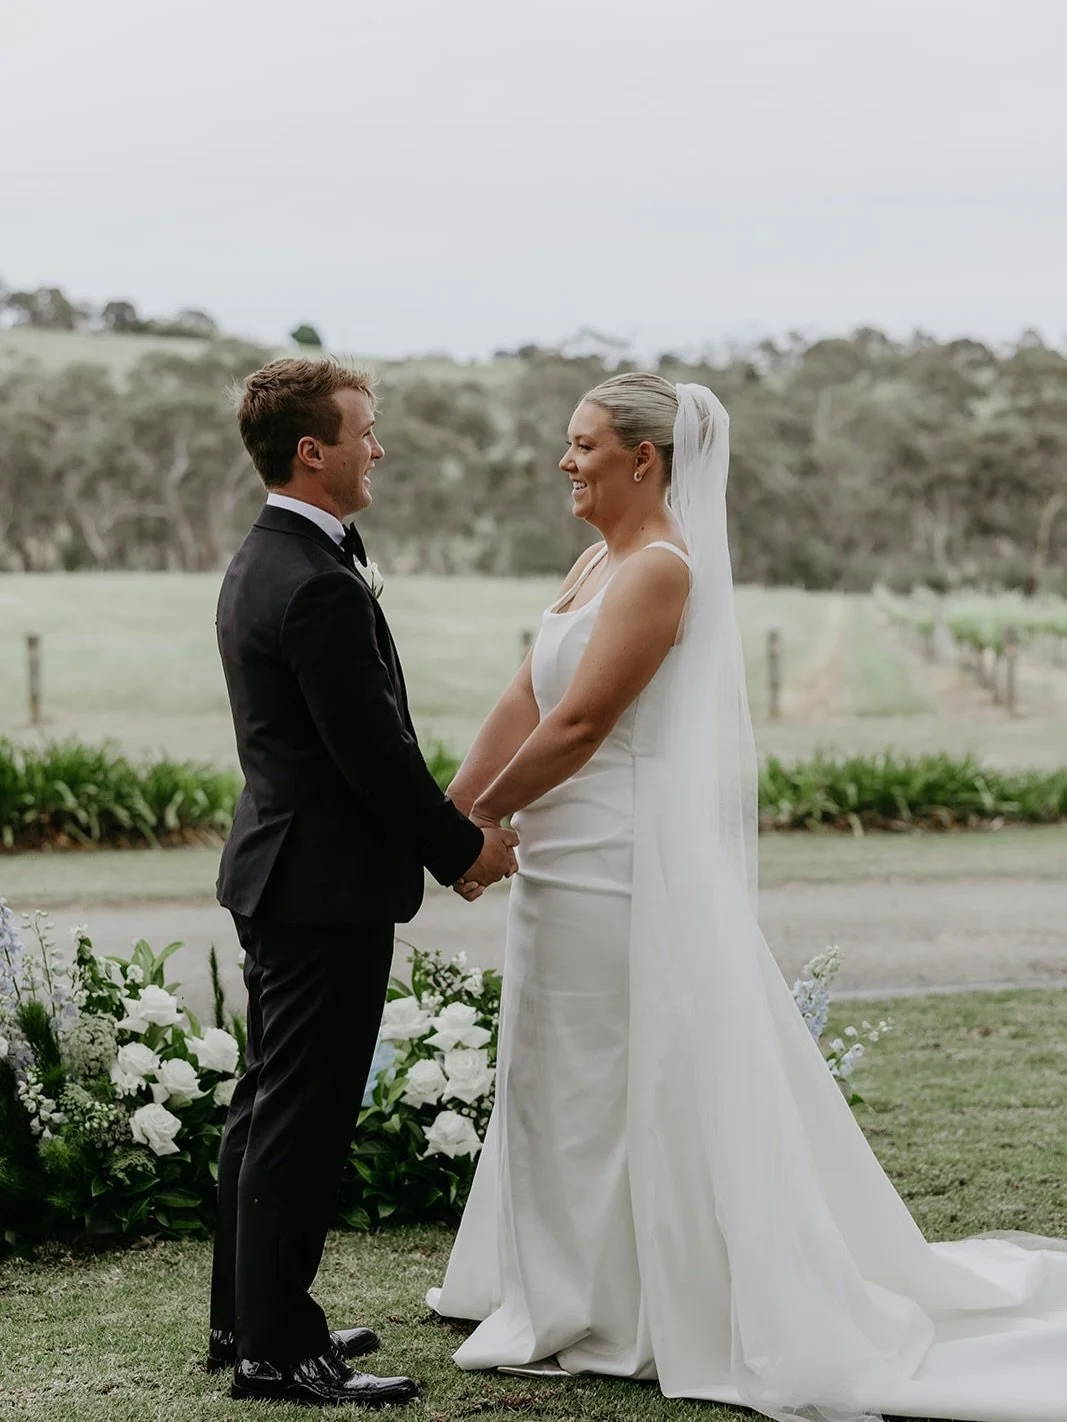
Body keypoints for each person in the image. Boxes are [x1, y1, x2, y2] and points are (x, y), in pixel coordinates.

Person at [430, 372, 1067, 1422]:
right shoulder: (595, 559)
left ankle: (622, 1304)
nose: (564, 462)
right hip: (556, 860)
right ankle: (555, 1283)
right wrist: (449, 814)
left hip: (615, 865)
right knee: (554, 1072)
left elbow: (583, 726)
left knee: (607, 1074)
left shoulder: (657, 572)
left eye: (583, 444)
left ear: (645, 458)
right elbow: (524, 694)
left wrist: (478, 825)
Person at [211, 357, 518, 1408]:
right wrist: (460, 847)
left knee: (265, 1106)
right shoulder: (313, 586)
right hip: (321, 889)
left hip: (284, 872)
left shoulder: (271, 558)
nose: (376, 447)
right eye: (365, 430)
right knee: (298, 1117)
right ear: (314, 449)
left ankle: (241, 1316)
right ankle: (275, 1350)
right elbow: (372, 755)